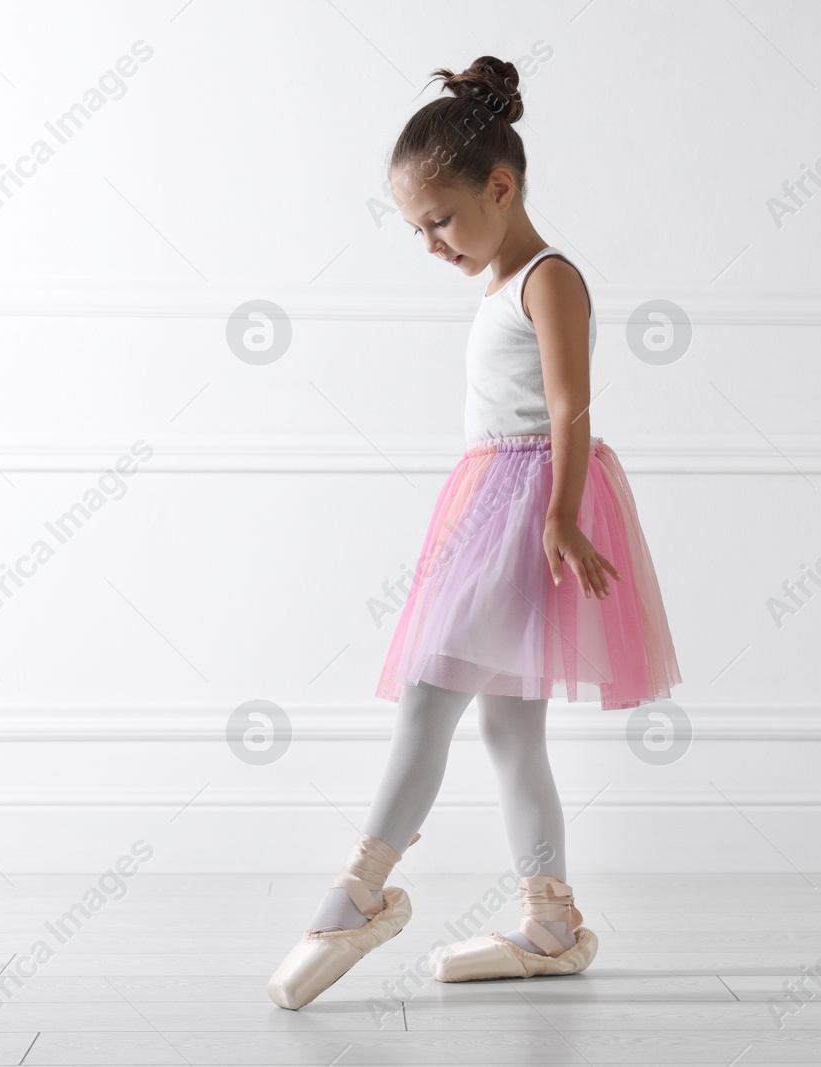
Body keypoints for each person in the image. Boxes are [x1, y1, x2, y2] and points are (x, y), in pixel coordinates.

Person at [268, 54, 681, 1011]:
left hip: (529, 507)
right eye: (417, 228)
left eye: (440, 219)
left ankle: (358, 892)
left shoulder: (549, 277)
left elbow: (572, 405)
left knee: (430, 693)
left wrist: (563, 515)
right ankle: (551, 923)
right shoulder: (497, 281)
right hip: (490, 498)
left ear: (501, 186)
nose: (430, 243)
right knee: (504, 725)